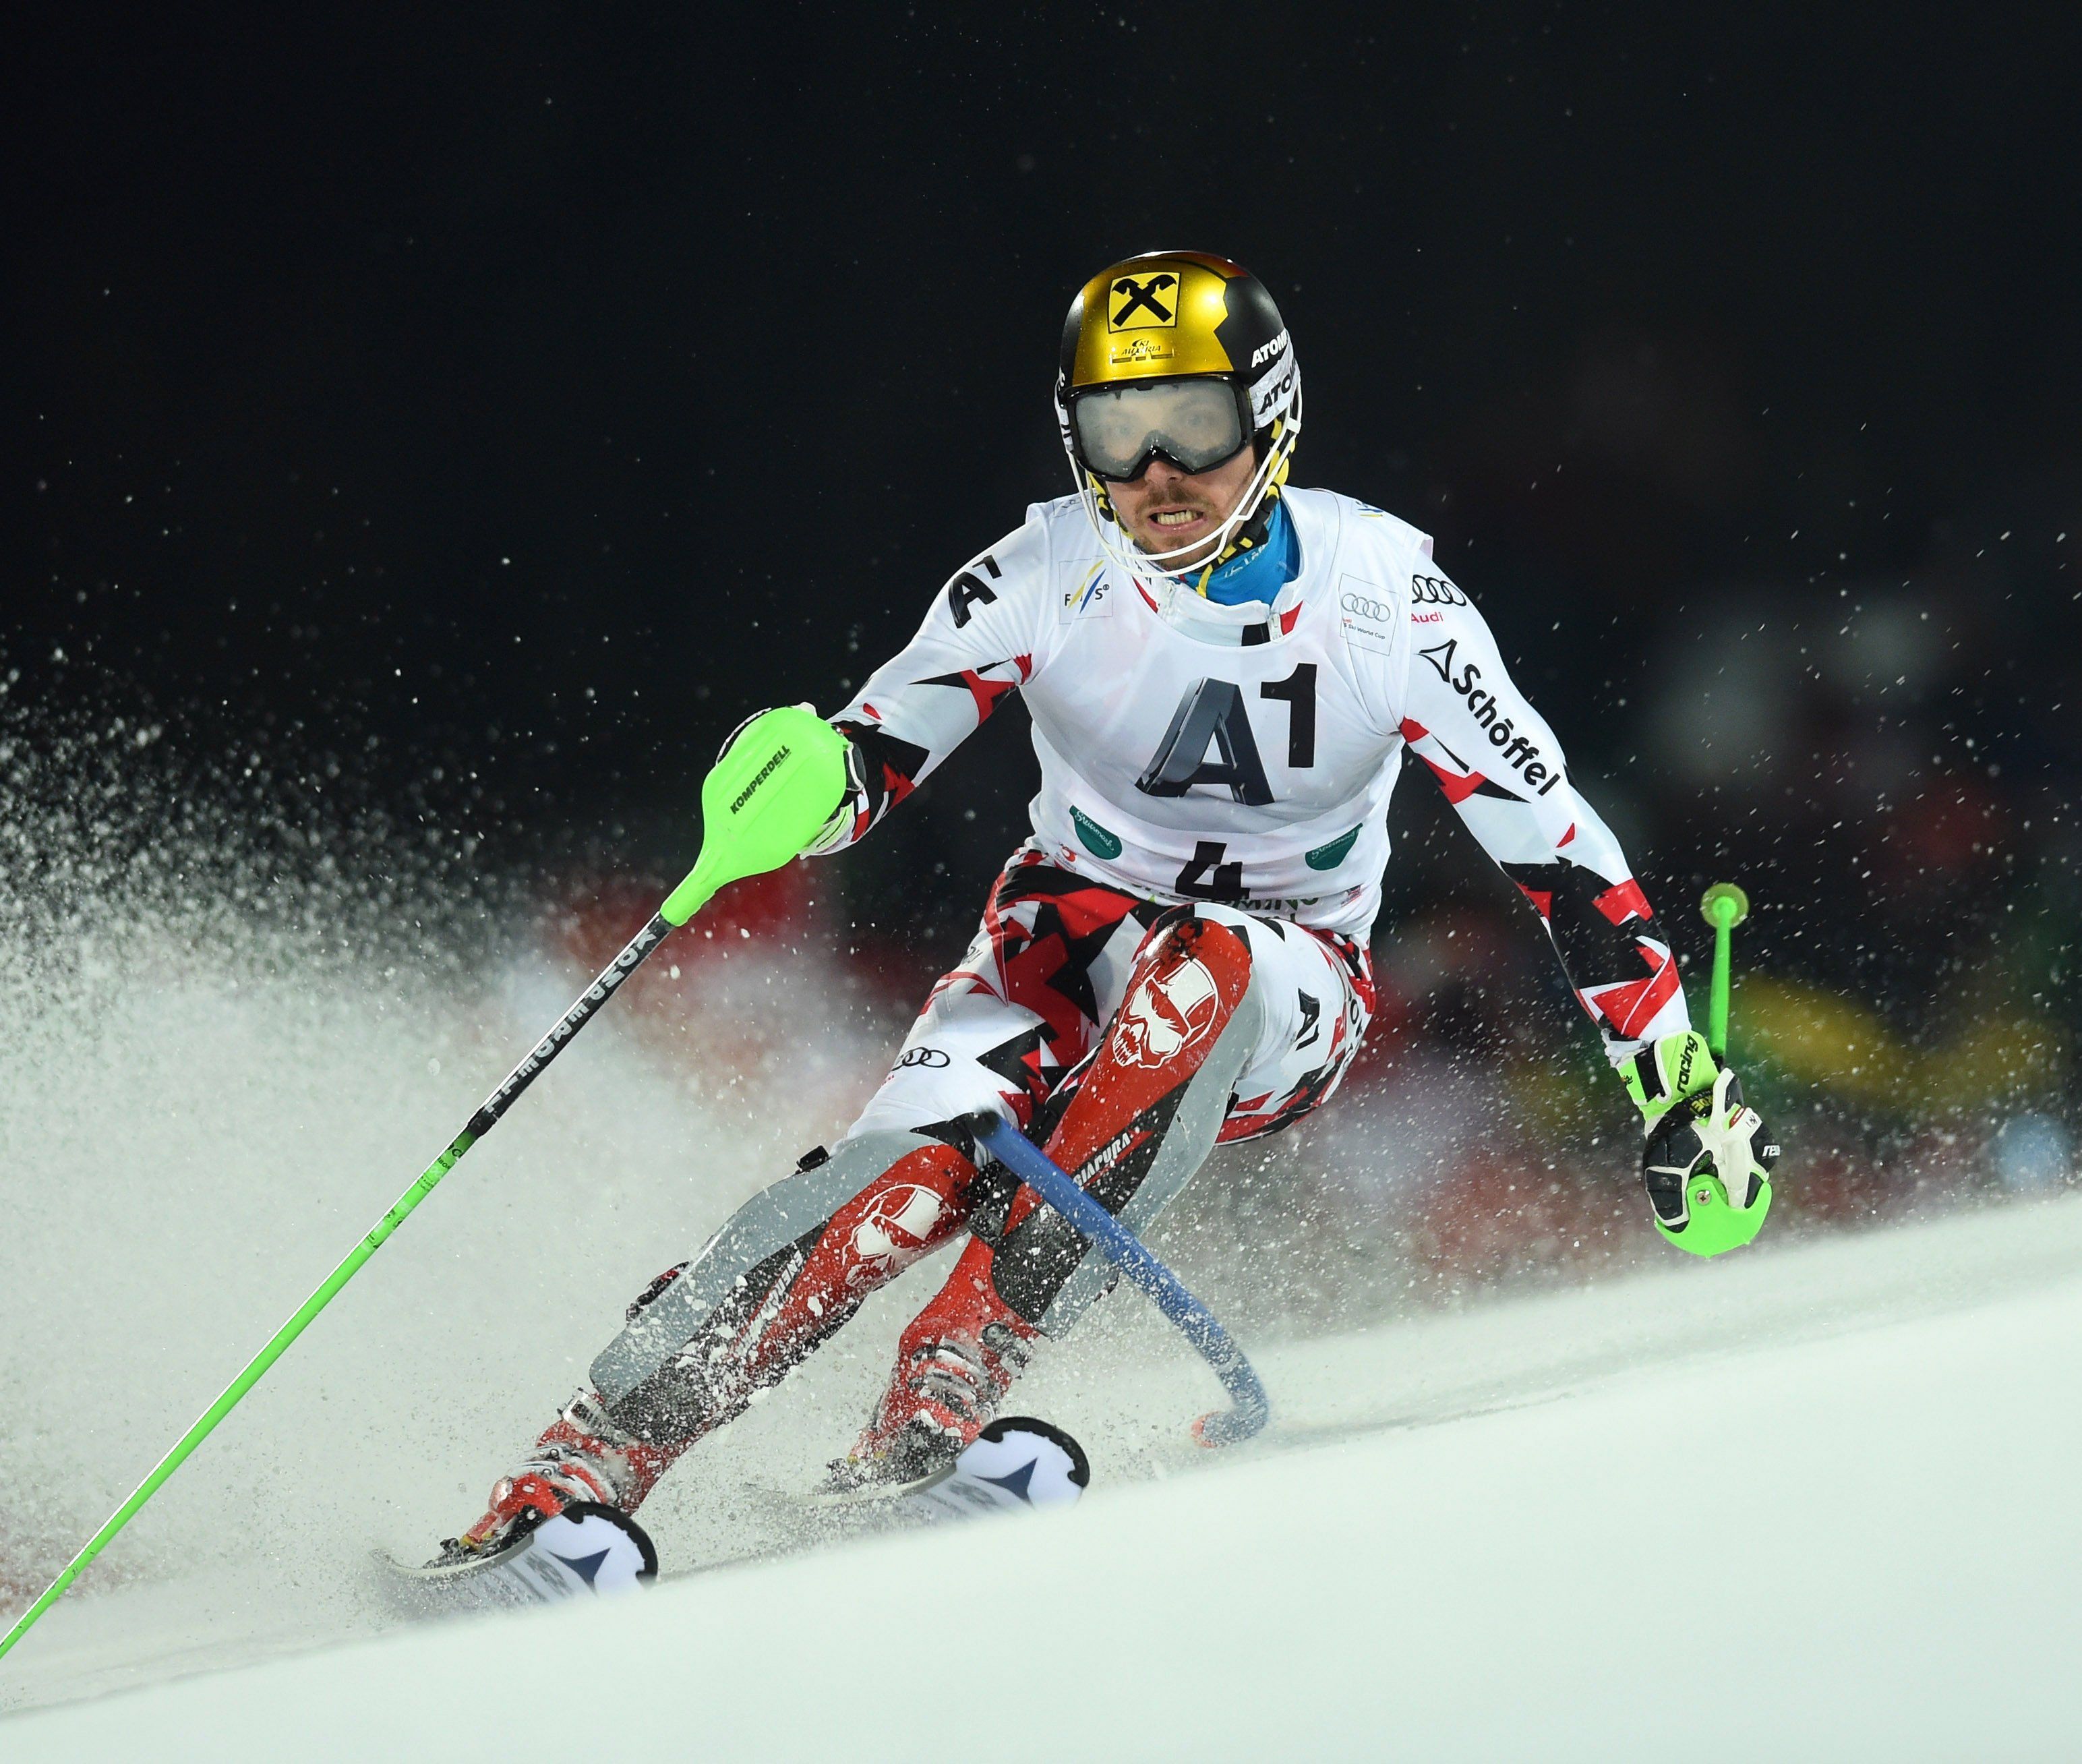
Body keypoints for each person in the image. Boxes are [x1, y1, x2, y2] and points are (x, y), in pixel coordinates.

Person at [440, 251, 1777, 1568]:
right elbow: (879, 749)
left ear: (1270, 414)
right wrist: (799, 784)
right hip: (1060, 936)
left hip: (1288, 979)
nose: (1156, 478)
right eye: (1116, 434)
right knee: (895, 1186)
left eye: (1192, 428)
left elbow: (1555, 850)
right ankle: (582, 1461)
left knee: (1210, 965)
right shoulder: (1043, 565)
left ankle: (952, 1369)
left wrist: (1680, 1090)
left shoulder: (1386, 596)